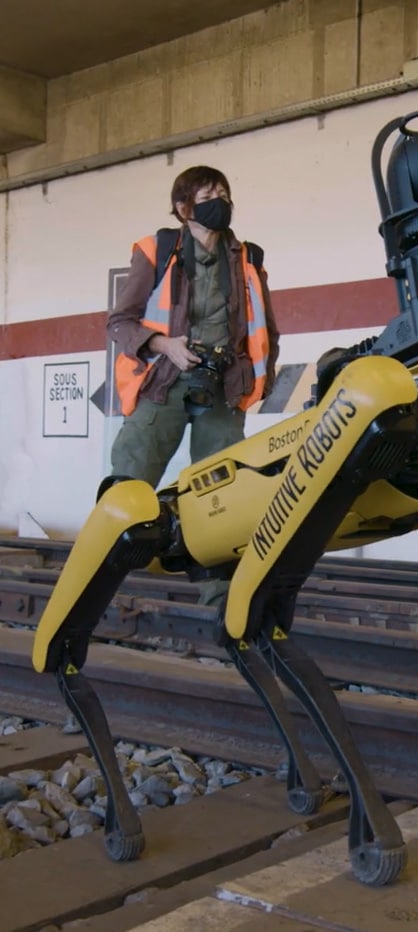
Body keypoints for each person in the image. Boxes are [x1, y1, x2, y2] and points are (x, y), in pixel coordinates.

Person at [107, 164, 280, 606]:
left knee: (219, 492)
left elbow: (267, 331)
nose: (219, 199)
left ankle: (219, 594)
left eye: (224, 191)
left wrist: (256, 378)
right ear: (184, 207)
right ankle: (105, 580)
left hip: (223, 386)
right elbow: (120, 322)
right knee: (131, 476)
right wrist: (165, 345)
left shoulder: (247, 257)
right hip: (164, 381)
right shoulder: (158, 250)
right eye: (208, 193)